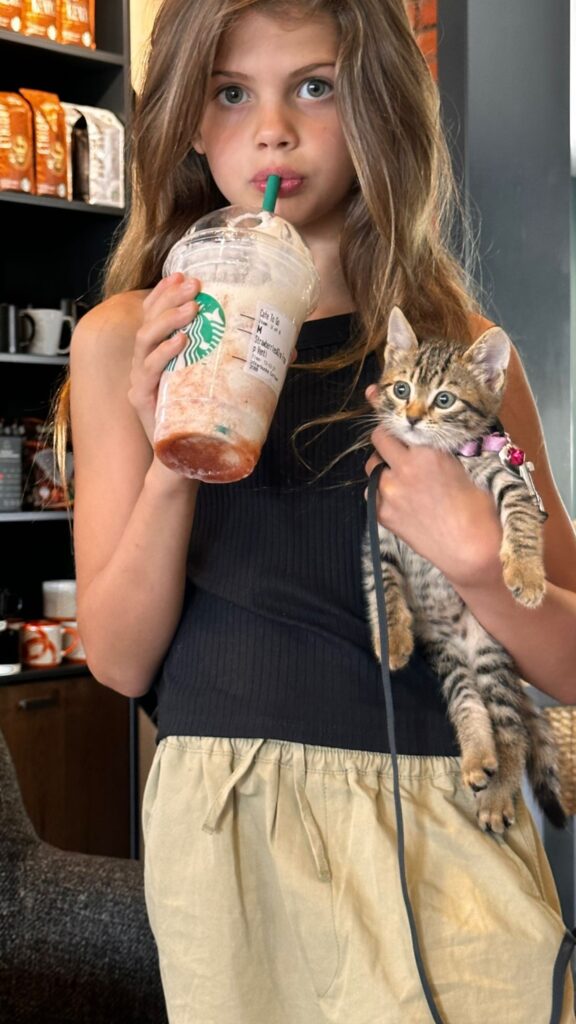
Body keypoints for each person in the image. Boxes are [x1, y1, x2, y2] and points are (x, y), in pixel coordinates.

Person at [59, 0, 576, 1021]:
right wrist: (173, 455)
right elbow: (117, 660)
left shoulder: (456, 357)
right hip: (234, 839)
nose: (273, 131)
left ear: (375, 102)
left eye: (314, 86)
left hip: (447, 828)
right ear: (190, 121)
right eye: (231, 92)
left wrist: (481, 563)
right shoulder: (127, 340)